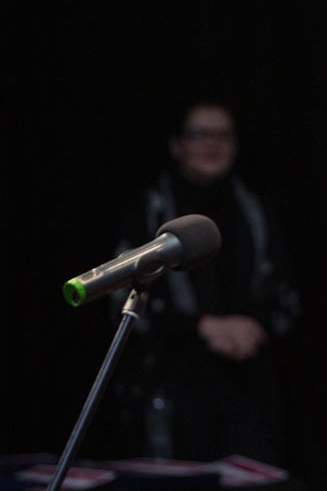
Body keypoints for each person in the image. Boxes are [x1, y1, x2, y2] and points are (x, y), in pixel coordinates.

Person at [110, 97, 300, 466]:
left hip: (246, 392)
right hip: (170, 394)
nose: (212, 144)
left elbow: (285, 299)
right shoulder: (150, 212)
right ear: (177, 145)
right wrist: (202, 327)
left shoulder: (256, 213)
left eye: (222, 135)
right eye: (199, 134)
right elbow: (124, 302)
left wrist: (251, 328)